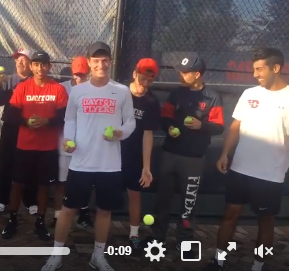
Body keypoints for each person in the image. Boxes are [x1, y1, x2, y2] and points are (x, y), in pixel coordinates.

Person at [42, 42, 136, 271]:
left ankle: (98, 256)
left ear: (110, 62)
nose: (101, 64)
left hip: (110, 165)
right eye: (96, 60)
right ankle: (56, 254)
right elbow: (70, 120)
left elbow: (130, 121)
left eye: (104, 60)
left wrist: (120, 133)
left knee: (104, 211)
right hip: (81, 162)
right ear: (90, 63)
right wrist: (68, 140)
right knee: (68, 210)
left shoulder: (122, 91)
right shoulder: (78, 91)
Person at [204, 48, 288, 271]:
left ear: (276, 68)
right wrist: (224, 154)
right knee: (230, 213)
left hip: (270, 174)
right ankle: (218, 261)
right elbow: (235, 126)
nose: (255, 74)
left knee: (266, 221)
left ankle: (257, 266)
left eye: (260, 69)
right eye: (254, 69)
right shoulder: (250, 94)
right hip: (240, 169)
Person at [142, 53, 224, 259]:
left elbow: (219, 126)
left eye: (185, 72)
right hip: (170, 153)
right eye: (180, 71)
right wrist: (169, 127)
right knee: (163, 200)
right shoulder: (176, 93)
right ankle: (157, 237)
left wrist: (201, 125)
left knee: (189, 202)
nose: (181, 74)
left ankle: (184, 239)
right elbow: (165, 117)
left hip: (195, 158)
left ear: (197, 74)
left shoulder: (213, 96)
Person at [1, 50, 68, 241]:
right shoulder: (23, 87)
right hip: (24, 146)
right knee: (17, 184)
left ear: (49, 66)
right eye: (36, 64)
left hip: (47, 147)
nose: (40, 68)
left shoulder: (57, 89)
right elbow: (10, 115)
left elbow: (64, 115)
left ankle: (40, 222)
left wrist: (47, 121)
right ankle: (12, 220)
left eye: (43, 64)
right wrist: (26, 122)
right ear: (31, 66)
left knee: (43, 186)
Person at [0, 48, 38, 215]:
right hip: (11, 128)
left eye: (23, 59)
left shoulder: (36, 82)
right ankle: (2, 200)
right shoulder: (9, 80)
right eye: (17, 59)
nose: (20, 62)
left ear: (31, 64)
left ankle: (30, 200)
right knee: (6, 164)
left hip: (29, 129)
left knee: (30, 165)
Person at [121, 58, 160, 251]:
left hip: (134, 157)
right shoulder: (119, 93)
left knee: (135, 195)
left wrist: (146, 167)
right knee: (106, 194)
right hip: (112, 154)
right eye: (142, 79)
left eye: (150, 81)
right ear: (134, 74)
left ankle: (134, 235)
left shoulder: (151, 101)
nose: (145, 85)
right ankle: (98, 236)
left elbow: (148, 134)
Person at [52, 56, 94, 230]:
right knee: (61, 181)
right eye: (76, 74)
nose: (79, 78)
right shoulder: (62, 88)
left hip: (85, 144)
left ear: (88, 73)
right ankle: (57, 215)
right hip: (65, 142)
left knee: (85, 180)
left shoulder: (94, 90)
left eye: (83, 75)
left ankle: (83, 213)